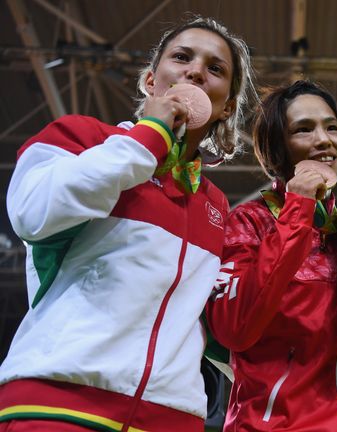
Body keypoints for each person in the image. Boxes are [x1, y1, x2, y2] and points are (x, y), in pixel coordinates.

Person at [0, 16, 255, 431]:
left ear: (227, 105)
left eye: (215, 68)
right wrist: (147, 139)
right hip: (59, 401)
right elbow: (31, 212)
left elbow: (223, 323)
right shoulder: (81, 137)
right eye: (182, 57)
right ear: (151, 81)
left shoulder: (216, 206)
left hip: (170, 419)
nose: (195, 71)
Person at [205, 80, 337, 431]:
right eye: (303, 129)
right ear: (277, 148)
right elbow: (233, 328)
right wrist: (297, 209)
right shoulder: (248, 223)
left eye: (332, 127)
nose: (324, 140)